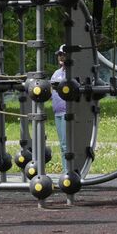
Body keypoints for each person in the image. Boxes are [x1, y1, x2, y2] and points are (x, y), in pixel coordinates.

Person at [51, 44, 67, 172]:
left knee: (67, 144)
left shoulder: (73, 73)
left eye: (63, 54)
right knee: (62, 145)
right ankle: (65, 170)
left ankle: (69, 171)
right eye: (59, 54)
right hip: (57, 113)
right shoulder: (56, 73)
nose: (61, 57)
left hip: (68, 113)